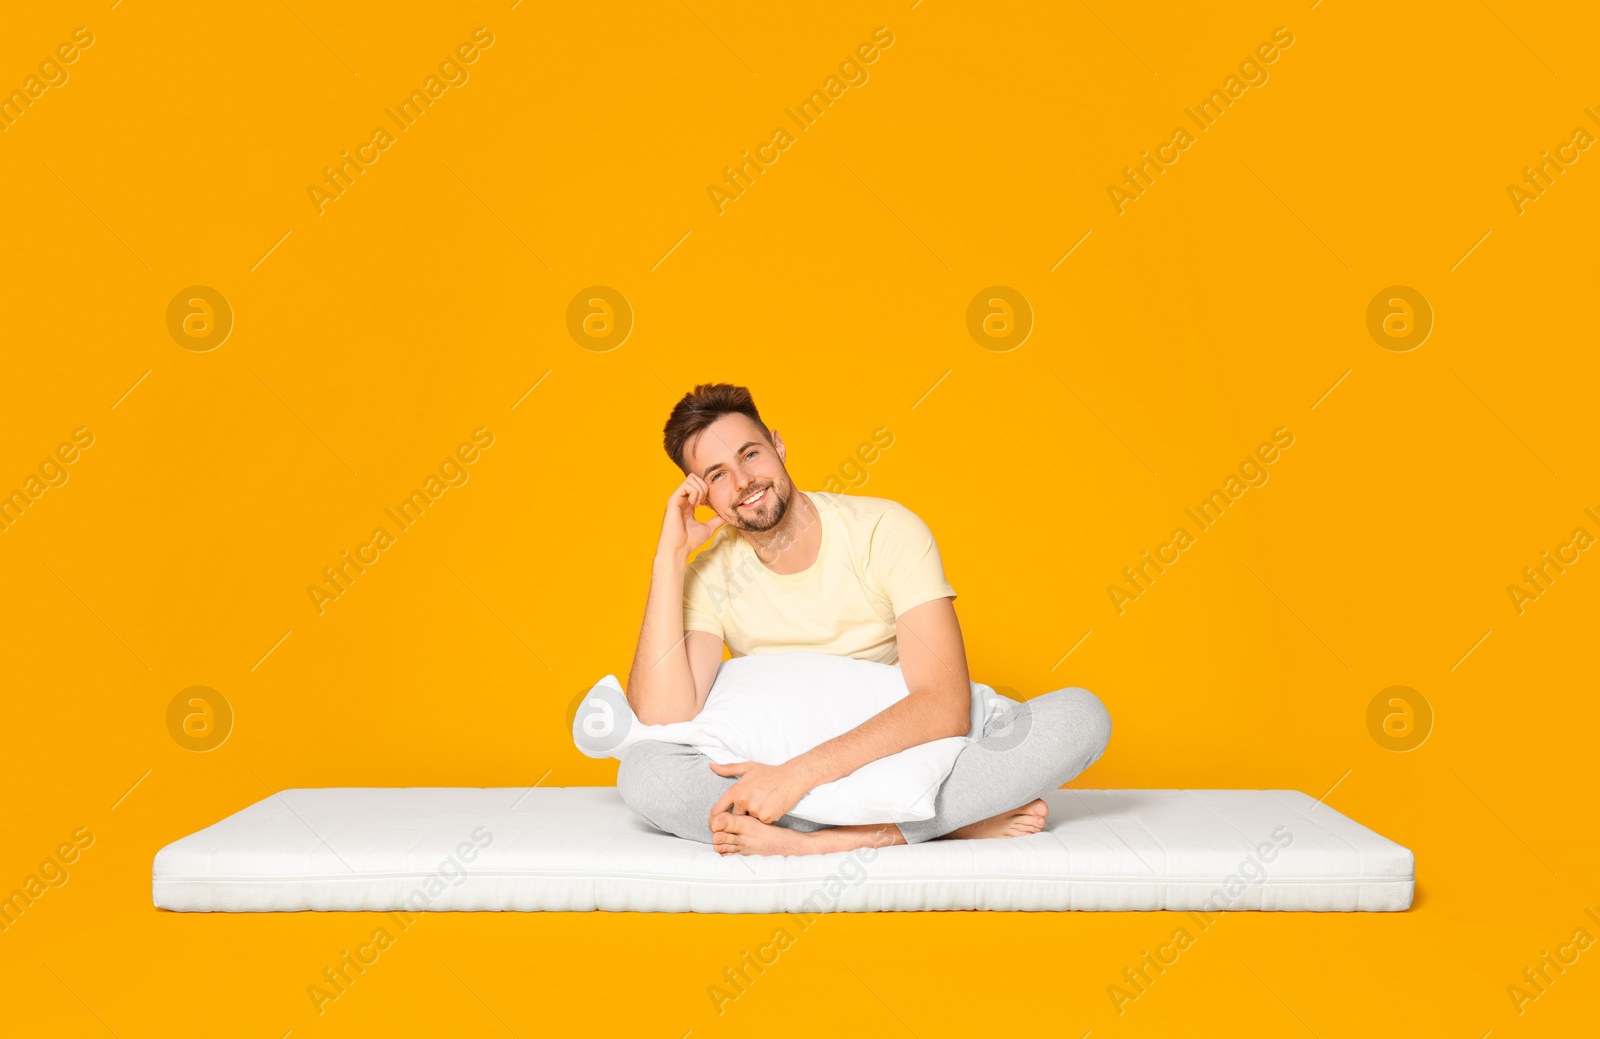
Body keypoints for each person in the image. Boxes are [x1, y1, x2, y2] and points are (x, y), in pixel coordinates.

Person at [618, 382, 1111, 856]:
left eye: (750, 454)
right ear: (701, 494)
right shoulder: (709, 573)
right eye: (718, 474)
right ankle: (939, 823)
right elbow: (664, 716)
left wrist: (793, 778)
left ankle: (826, 841)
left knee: (1081, 717)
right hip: (779, 757)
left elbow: (944, 706)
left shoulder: (885, 530)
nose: (744, 480)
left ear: (778, 445)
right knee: (643, 772)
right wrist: (670, 557)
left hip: (897, 754)